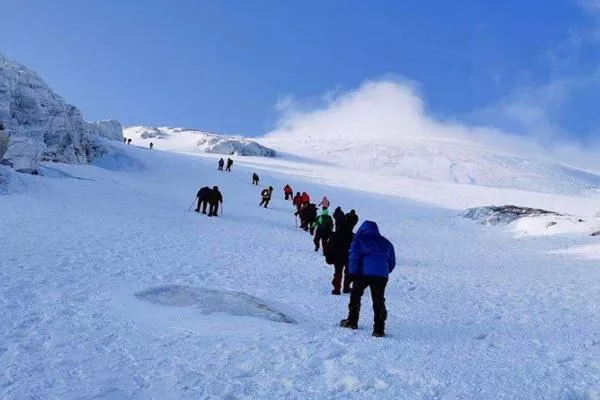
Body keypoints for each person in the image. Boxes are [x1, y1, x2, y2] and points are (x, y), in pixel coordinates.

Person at [340, 221, 395, 337]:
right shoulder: (386, 242)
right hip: (381, 276)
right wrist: (383, 272)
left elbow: (354, 257)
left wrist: (353, 273)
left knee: (356, 295)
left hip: (362, 274)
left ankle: (352, 321)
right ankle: (379, 329)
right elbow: (391, 262)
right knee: (378, 299)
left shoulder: (359, 240)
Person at [326, 219, 354, 294]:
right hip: (348, 257)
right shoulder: (352, 235)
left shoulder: (334, 235)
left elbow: (329, 246)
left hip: (337, 257)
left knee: (338, 273)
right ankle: (346, 287)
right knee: (348, 273)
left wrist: (328, 256)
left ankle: (337, 289)